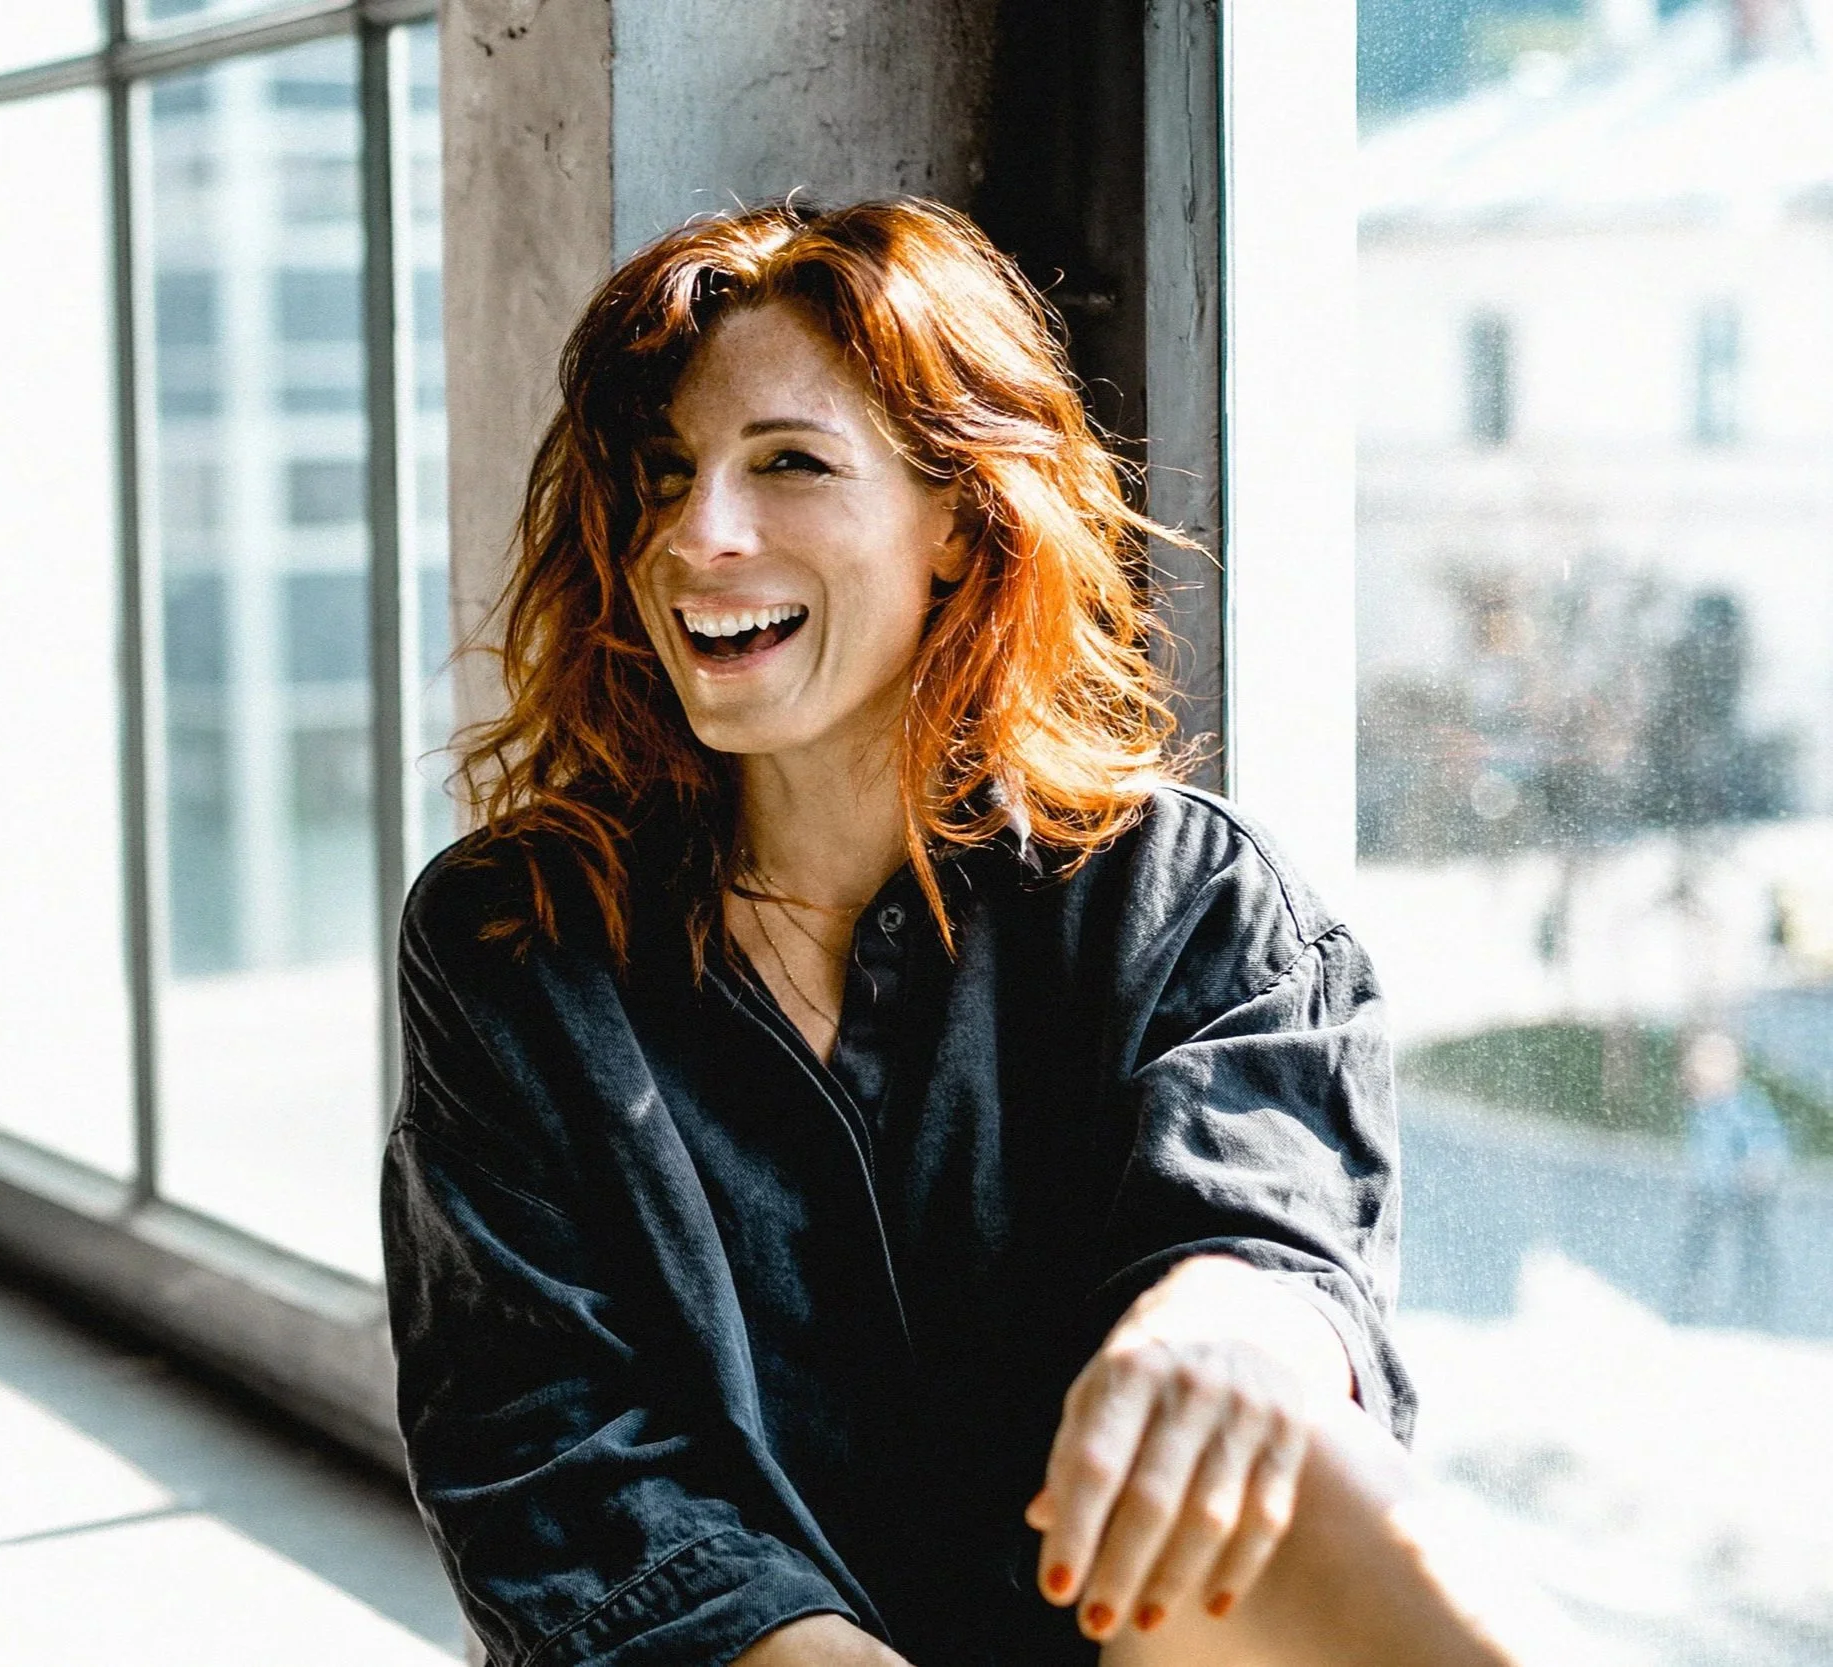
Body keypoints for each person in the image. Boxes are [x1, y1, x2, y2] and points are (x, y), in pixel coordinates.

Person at [382, 198, 1507, 1667]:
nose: (694, 535)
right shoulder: (513, 938)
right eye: (663, 475)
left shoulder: (1189, 902)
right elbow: (552, 1453)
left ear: (964, 534)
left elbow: (1266, 1226)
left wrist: (1235, 1324)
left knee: (1282, 1447)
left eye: (787, 463)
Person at [1675, 1029, 1789, 1327]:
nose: (1704, 1077)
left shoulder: (1741, 1104)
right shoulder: (1703, 1107)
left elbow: (1766, 1139)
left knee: (1752, 1245)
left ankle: (1755, 1303)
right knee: (1699, 1245)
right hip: (1709, 1191)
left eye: (1714, 1067)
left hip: (1743, 1190)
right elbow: (1702, 1151)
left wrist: (1759, 1167)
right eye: (1700, 1067)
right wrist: (1694, 1182)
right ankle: (1693, 1298)